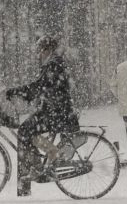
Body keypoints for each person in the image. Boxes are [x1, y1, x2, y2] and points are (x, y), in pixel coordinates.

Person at [6, 35, 80, 180]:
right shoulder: (54, 63)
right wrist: (25, 93)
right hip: (56, 110)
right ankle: (39, 165)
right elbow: (42, 87)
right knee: (27, 129)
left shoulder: (53, 64)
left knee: (25, 130)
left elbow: (39, 86)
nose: (40, 53)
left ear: (49, 49)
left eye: (41, 50)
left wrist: (17, 91)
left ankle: (47, 158)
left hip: (57, 112)